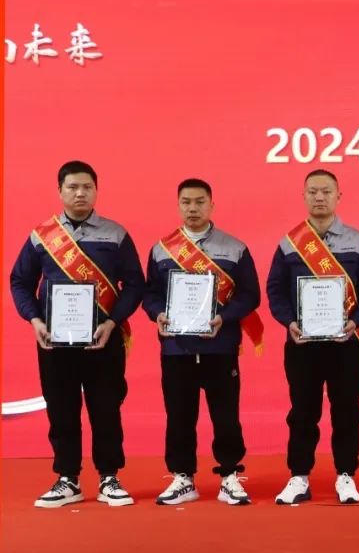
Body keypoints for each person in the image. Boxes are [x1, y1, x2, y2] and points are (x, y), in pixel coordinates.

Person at [10, 160, 144, 508]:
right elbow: (20, 281)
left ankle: (109, 477)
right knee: (61, 409)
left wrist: (113, 321)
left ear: (96, 190)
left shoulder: (115, 234)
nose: (80, 193)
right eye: (72, 187)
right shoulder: (42, 236)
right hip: (54, 341)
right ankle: (67, 478)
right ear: (60, 191)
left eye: (87, 187)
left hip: (103, 339)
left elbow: (135, 283)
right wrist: (34, 320)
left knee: (106, 408)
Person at [266, 169, 359, 504]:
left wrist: (356, 321)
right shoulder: (290, 243)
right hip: (302, 343)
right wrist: (289, 321)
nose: (320, 197)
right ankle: (299, 476)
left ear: (338, 196)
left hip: (345, 343)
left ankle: (346, 475)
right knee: (302, 411)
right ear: (304, 196)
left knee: (347, 410)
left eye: (327, 191)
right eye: (313, 191)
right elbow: (275, 290)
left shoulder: (358, 242)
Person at [143, 178, 262, 505]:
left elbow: (250, 294)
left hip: (220, 346)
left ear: (212, 205)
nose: (192, 208)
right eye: (186, 202)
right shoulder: (161, 249)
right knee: (178, 415)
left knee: (226, 414)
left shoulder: (234, 247)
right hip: (176, 348)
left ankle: (230, 475)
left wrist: (224, 316)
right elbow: (150, 293)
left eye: (199, 202)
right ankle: (183, 477)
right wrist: (158, 314)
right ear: (178, 205)